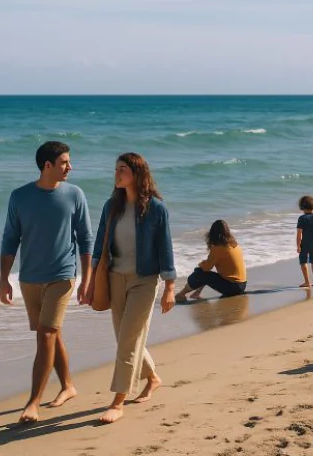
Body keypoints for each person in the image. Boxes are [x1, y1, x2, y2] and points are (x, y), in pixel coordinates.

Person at [0, 141, 94, 424]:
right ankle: (68, 386)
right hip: (30, 278)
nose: (70, 167)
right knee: (51, 334)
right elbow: (9, 239)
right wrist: (4, 279)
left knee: (46, 335)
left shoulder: (75, 195)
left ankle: (33, 402)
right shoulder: (20, 197)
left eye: (69, 161)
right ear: (47, 165)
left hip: (63, 275)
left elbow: (86, 239)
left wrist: (86, 280)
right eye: (65, 162)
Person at [88, 152, 177, 424]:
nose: (117, 173)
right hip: (115, 278)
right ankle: (152, 378)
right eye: (116, 169)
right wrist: (90, 280)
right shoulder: (110, 206)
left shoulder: (156, 209)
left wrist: (170, 287)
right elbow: (99, 247)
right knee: (126, 339)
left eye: (122, 169)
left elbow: (166, 248)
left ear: (137, 174)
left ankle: (118, 401)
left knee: (128, 341)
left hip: (144, 281)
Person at [176, 220, 247, 302]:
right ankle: (196, 293)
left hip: (233, 288)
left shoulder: (218, 248)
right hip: (242, 285)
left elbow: (206, 268)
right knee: (205, 274)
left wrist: (201, 264)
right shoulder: (234, 245)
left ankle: (181, 294)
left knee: (199, 273)